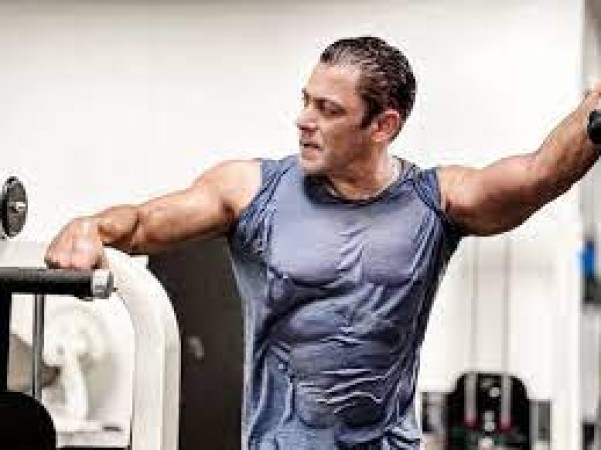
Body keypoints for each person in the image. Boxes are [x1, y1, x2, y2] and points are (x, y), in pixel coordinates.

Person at [45, 36, 601, 449]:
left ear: (383, 125)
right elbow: (142, 223)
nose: (303, 120)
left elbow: (538, 176)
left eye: (328, 110)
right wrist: (92, 226)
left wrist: (594, 111)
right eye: (306, 100)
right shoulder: (251, 191)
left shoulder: (433, 202)